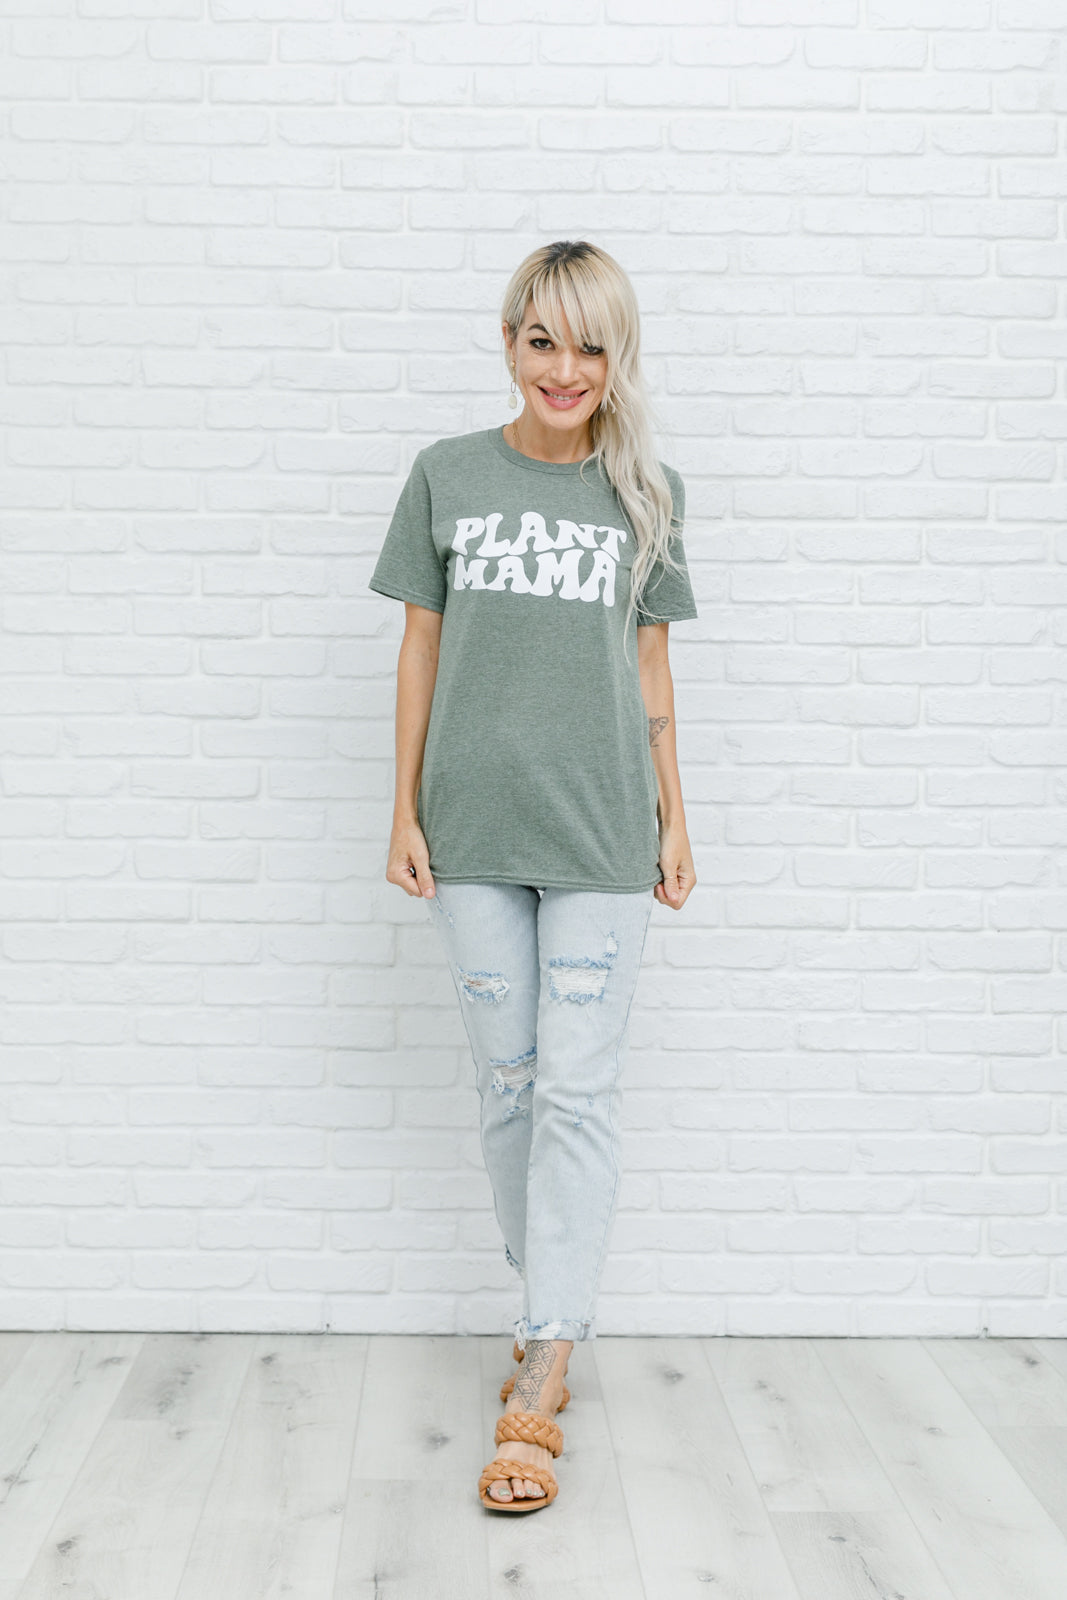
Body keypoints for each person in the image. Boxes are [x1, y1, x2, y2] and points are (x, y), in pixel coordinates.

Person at [367, 239, 699, 1512]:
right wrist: (402, 808)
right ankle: (544, 1310)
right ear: (507, 341)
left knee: (575, 1093)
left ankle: (546, 1357)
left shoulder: (645, 493)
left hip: (603, 833)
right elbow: (419, 650)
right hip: (469, 832)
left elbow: (650, 668)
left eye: (590, 345)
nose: (565, 369)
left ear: (618, 358)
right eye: (542, 340)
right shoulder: (446, 475)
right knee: (509, 1089)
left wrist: (677, 819)